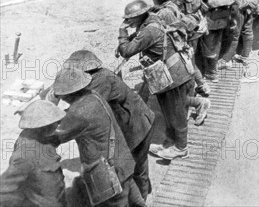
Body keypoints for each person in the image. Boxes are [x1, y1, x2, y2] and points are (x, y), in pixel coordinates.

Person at [63, 50, 155, 202]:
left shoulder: (100, 81)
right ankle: (142, 195)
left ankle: (141, 199)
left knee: (134, 169)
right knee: (139, 166)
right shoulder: (101, 75)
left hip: (137, 127)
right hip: (138, 122)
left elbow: (85, 109)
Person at [117, 0, 195, 160]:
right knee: (168, 110)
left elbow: (127, 51)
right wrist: (128, 38)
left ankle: (181, 148)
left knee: (176, 112)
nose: (126, 22)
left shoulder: (149, 31)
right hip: (167, 72)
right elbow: (139, 36)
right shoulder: (151, 19)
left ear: (139, 16)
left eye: (129, 19)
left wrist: (122, 34)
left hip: (173, 75)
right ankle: (169, 143)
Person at [52, 68, 142, 207]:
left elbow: (55, 136)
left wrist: (49, 105)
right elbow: (71, 116)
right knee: (137, 203)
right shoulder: (94, 95)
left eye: (61, 94)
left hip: (110, 176)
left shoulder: (79, 112)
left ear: (68, 94)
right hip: (124, 165)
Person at [0, 100, 67, 207]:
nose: (57, 125)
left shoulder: (44, 137)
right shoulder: (25, 155)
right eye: (54, 123)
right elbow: (5, 187)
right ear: (43, 126)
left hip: (56, 198)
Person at [196, 0, 234, 82]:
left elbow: (193, 1)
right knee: (217, 43)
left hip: (209, 19)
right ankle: (214, 68)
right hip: (223, 18)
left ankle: (211, 73)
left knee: (207, 46)